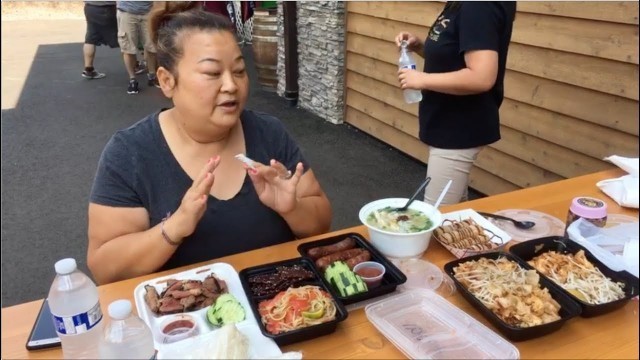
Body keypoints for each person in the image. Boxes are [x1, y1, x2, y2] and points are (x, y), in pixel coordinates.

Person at [87, 3, 332, 285]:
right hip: (188, 322)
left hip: (281, 309)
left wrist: (293, 209)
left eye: (239, 71)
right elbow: (105, 268)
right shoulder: (130, 153)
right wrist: (174, 228)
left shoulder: (269, 133)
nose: (231, 85)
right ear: (167, 81)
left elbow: (321, 223)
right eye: (213, 73)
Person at [395, 2, 516, 205]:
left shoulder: (480, 6)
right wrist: (420, 47)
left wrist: (422, 79)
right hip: (448, 123)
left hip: (458, 129)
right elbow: (454, 54)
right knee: (455, 217)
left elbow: (482, 77)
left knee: (435, 220)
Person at [116, 1, 159, 94]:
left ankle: (152, 75)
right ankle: (132, 80)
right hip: (127, 12)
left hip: (148, 11)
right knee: (128, 48)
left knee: (151, 45)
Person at [81, 1, 118, 79]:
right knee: (123, 36)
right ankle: (134, 65)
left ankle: (88, 69)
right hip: (108, 7)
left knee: (90, 37)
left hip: (90, 7)